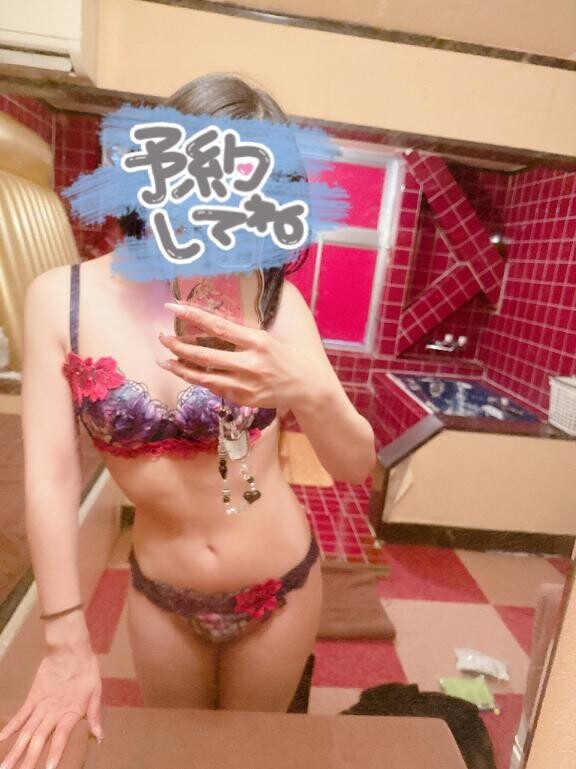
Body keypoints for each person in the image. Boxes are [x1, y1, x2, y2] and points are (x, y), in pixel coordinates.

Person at [0, 73, 376, 769]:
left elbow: (355, 463)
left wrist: (308, 390)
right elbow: (50, 474)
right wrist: (63, 635)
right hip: (161, 593)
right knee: (175, 756)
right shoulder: (62, 300)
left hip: (279, 587)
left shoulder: (276, 303)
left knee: (250, 758)